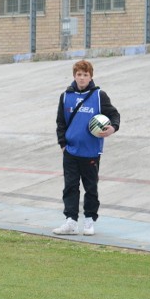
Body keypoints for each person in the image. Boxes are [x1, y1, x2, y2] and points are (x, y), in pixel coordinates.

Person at [53, 59, 120, 237]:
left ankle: (89, 220)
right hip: (71, 152)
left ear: (91, 76)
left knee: (91, 188)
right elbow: (61, 122)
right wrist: (63, 144)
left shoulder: (99, 96)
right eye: (79, 75)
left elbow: (114, 115)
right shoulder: (66, 96)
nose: (82, 78)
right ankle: (71, 221)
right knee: (70, 187)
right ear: (74, 76)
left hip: (90, 151)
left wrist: (112, 127)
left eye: (85, 75)